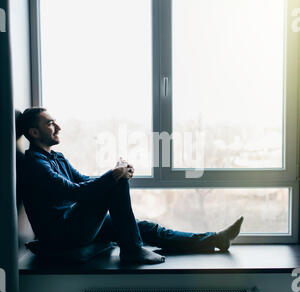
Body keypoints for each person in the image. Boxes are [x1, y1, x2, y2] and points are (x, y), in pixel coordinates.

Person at [16, 107, 244, 265]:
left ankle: (214, 240)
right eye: (50, 123)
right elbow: (76, 192)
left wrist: (116, 173)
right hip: (62, 234)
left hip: (76, 224)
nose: (58, 126)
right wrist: (114, 176)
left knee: (145, 228)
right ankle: (132, 250)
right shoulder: (35, 165)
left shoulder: (57, 158)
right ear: (34, 132)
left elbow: (83, 180)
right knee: (113, 183)